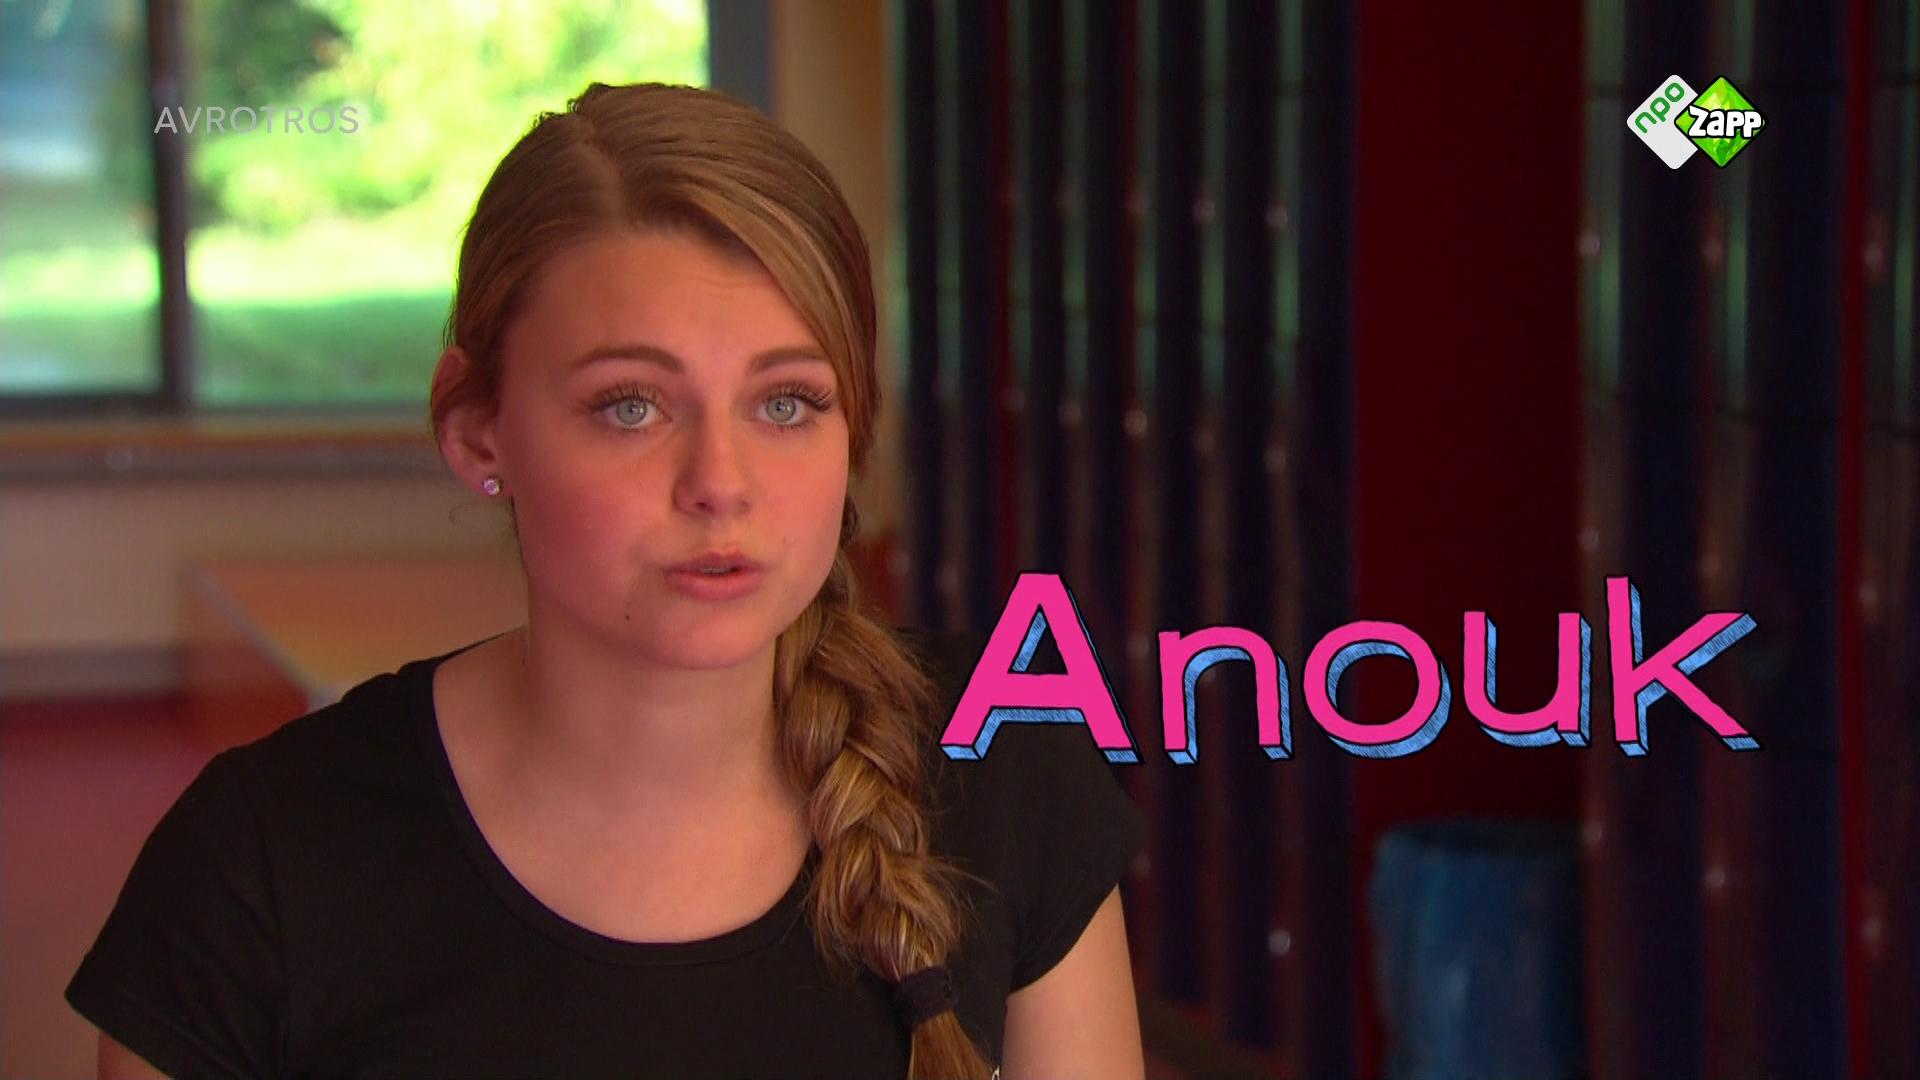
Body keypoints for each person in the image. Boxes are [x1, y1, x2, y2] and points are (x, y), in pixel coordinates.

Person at [67, 82, 1147, 1079]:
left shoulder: (1007, 770)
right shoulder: (258, 865)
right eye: (631, 405)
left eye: (786, 403)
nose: (720, 484)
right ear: (477, 429)